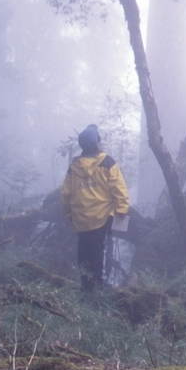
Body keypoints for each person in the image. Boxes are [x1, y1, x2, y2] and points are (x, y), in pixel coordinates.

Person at [60, 124, 129, 291]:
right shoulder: (107, 162)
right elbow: (118, 188)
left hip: (80, 217)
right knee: (99, 250)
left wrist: (68, 213)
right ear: (97, 142)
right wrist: (121, 210)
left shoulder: (74, 165)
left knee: (83, 250)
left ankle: (86, 285)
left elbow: (65, 193)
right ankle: (98, 288)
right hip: (101, 216)